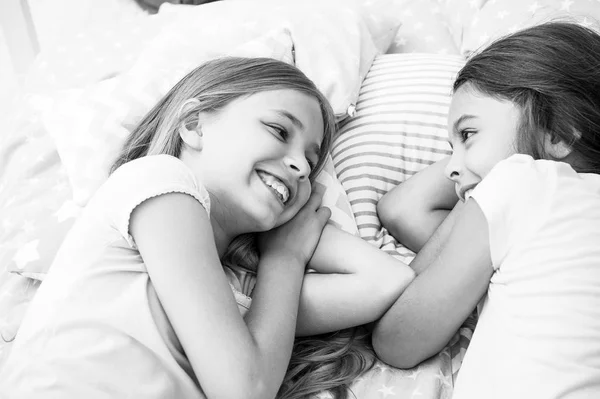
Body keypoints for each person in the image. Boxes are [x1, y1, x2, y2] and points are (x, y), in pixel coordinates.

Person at [0, 57, 415, 399]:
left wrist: (281, 250)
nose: (302, 166)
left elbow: (387, 280)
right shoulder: (157, 182)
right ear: (194, 126)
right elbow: (244, 390)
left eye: (311, 160)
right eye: (278, 130)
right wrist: (286, 257)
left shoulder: (240, 300)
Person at [372, 22, 600, 398]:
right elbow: (406, 211)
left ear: (558, 133)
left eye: (467, 135)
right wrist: (475, 168)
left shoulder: (522, 184)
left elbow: (396, 340)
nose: (449, 168)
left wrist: (486, 183)